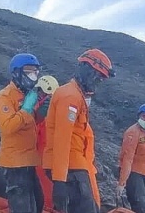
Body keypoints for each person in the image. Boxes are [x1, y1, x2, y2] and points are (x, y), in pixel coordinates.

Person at [43, 48, 116, 213]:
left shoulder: (75, 95)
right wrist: (60, 181)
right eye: (97, 77)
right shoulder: (71, 97)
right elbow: (62, 141)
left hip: (75, 167)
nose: (97, 82)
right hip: (71, 169)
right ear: (87, 69)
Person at [0, 53, 47, 213]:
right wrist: (26, 109)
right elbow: (8, 127)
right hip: (14, 163)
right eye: (29, 71)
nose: (33, 76)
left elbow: (29, 124)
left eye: (36, 72)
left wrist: (40, 112)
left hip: (29, 161)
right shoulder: (5, 96)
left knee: (38, 203)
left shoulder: (28, 95)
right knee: (22, 207)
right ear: (17, 73)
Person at [116, 104, 145, 213]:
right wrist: (122, 183)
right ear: (139, 116)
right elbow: (127, 158)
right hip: (132, 172)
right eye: (144, 116)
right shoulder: (132, 132)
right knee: (140, 205)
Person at [33, 75, 60, 211]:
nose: (42, 96)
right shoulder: (35, 110)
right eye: (41, 92)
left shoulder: (54, 114)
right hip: (38, 160)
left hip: (49, 161)